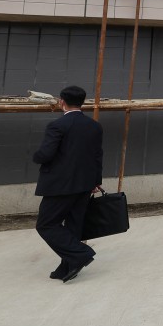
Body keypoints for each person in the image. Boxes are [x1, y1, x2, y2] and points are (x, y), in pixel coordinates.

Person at [33, 85, 104, 283]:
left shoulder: (57, 126)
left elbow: (46, 154)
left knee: (46, 225)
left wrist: (35, 156)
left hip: (60, 186)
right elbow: (98, 156)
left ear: (62, 102)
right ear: (82, 103)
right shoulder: (94, 126)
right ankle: (68, 265)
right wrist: (96, 181)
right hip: (84, 184)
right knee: (73, 225)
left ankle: (81, 253)